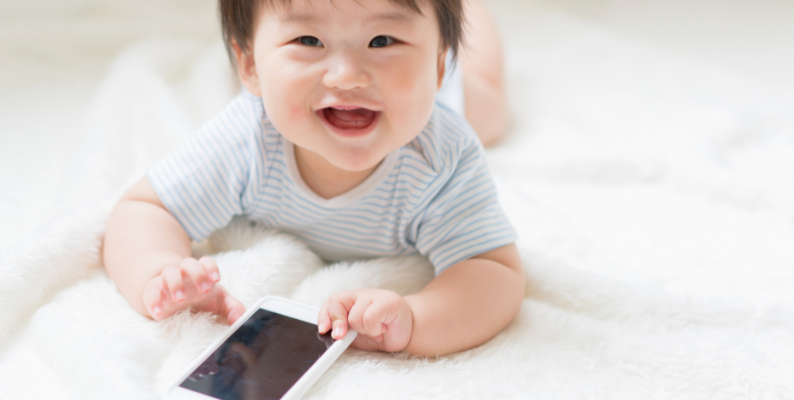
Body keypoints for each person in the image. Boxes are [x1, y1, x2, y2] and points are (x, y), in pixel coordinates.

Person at [103, 0, 523, 357]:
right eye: (308, 41)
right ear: (248, 65)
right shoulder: (246, 138)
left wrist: (416, 320)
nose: (347, 76)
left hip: (444, 102)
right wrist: (160, 275)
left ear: (438, 64)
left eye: (383, 40)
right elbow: (145, 208)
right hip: (351, 88)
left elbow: (492, 271)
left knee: (488, 106)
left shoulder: (442, 156)